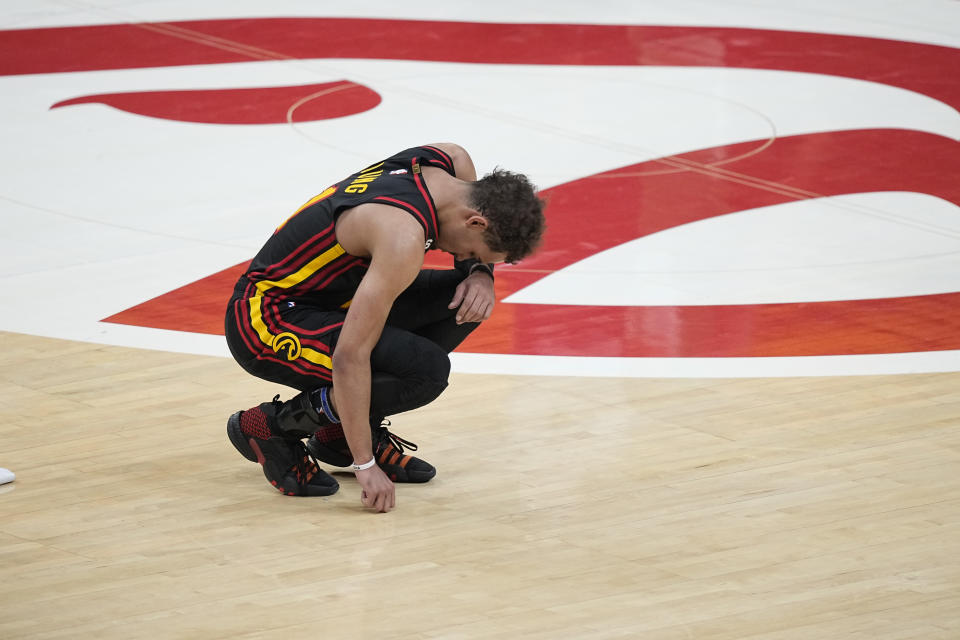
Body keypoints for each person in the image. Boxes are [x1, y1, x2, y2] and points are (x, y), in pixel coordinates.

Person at [225, 143, 546, 512]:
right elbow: (350, 355)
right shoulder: (401, 236)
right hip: (267, 319)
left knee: (459, 302)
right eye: (472, 253)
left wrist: (479, 273)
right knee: (425, 372)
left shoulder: (444, 163)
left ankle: (338, 437)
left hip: (332, 303)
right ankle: (271, 426)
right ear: (475, 221)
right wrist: (367, 466)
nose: (464, 259)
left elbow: (461, 157)